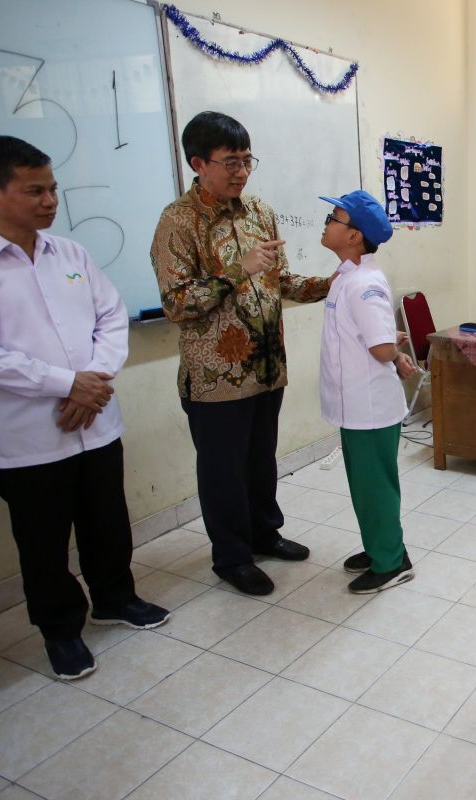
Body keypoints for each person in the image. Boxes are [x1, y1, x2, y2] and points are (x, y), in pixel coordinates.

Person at [0, 136, 168, 680]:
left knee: (107, 523)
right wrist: (66, 384)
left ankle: (114, 598)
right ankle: (61, 631)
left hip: (97, 424)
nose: (50, 200)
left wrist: (94, 381)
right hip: (28, 439)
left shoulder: (72, 254)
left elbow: (109, 318)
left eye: (52, 188)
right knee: (42, 542)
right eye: (34, 190)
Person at [150, 111, 330, 596]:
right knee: (223, 470)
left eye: (247, 160)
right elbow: (178, 304)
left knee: (260, 460)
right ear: (198, 162)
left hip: (267, 368)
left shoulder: (259, 212)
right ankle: (231, 556)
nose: (241, 171)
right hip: (216, 379)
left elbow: (281, 280)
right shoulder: (178, 222)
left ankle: (264, 534)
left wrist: (330, 285)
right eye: (230, 161)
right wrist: (237, 269)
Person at [316, 191, 418, 593]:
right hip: (356, 404)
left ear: (355, 236)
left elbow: (378, 347)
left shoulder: (365, 282)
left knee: (374, 486)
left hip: (370, 407)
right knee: (367, 484)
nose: (326, 222)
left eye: (334, 217)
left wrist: (392, 353)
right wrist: (393, 351)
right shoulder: (347, 276)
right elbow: (371, 337)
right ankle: (384, 546)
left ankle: (391, 563)